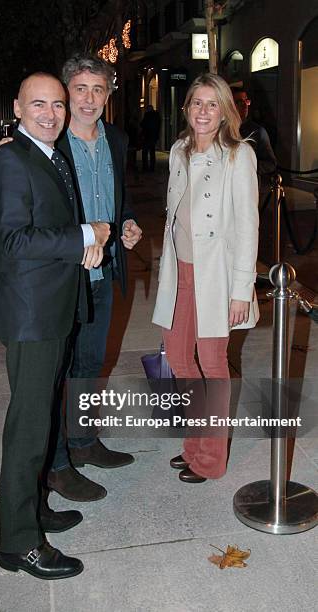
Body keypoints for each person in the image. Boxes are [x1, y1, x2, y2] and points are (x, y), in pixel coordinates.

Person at [0, 72, 110, 579]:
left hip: (51, 309)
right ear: (18, 106)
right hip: (32, 315)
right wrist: (84, 232)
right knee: (29, 429)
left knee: (40, 420)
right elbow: (13, 242)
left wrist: (88, 240)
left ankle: (33, 513)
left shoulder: (46, 153)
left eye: (58, 104)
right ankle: (17, 544)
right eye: (39, 104)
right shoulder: (9, 158)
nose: (51, 113)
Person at [152, 73, 260, 483]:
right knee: (179, 360)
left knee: (212, 364)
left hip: (216, 275)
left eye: (212, 104)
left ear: (225, 111)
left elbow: (248, 227)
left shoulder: (238, 155)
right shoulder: (179, 150)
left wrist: (241, 288)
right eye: (197, 102)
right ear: (186, 108)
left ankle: (210, 460)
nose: (203, 111)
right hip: (178, 271)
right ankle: (194, 445)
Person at [47, 55, 143, 502]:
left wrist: (127, 223)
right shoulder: (49, 143)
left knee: (90, 364)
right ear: (67, 92)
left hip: (104, 274)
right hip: (63, 277)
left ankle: (83, 442)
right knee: (57, 370)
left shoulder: (116, 140)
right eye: (80, 89)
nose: (89, 99)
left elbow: (116, 198)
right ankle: (56, 463)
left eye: (98, 90)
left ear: (108, 95)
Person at [231, 86, 277, 180]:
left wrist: (250, 166)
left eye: (246, 101)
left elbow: (271, 163)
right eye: (239, 102)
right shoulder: (220, 129)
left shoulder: (257, 131)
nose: (245, 105)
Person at [140, 104, 161, 172]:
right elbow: (158, 126)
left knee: (145, 152)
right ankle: (152, 167)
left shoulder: (147, 115)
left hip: (147, 136)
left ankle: (145, 167)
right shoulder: (156, 116)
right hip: (153, 136)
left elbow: (143, 124)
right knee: (152, 152)